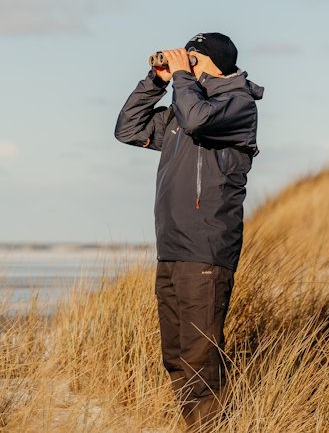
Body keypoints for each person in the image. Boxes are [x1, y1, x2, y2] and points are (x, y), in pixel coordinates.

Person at [113, 32, 264, 430]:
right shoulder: (183, 106)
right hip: (173, 250)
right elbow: (128, 129)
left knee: (200, 358)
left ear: (213, 62)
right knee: (176, 354)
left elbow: (198, 118)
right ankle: (194, 425)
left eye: (192, 59)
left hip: (206, 250)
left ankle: (211, 426)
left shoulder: (237, 103)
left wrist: (181, 78)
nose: (186, 66)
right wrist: (156, 81)